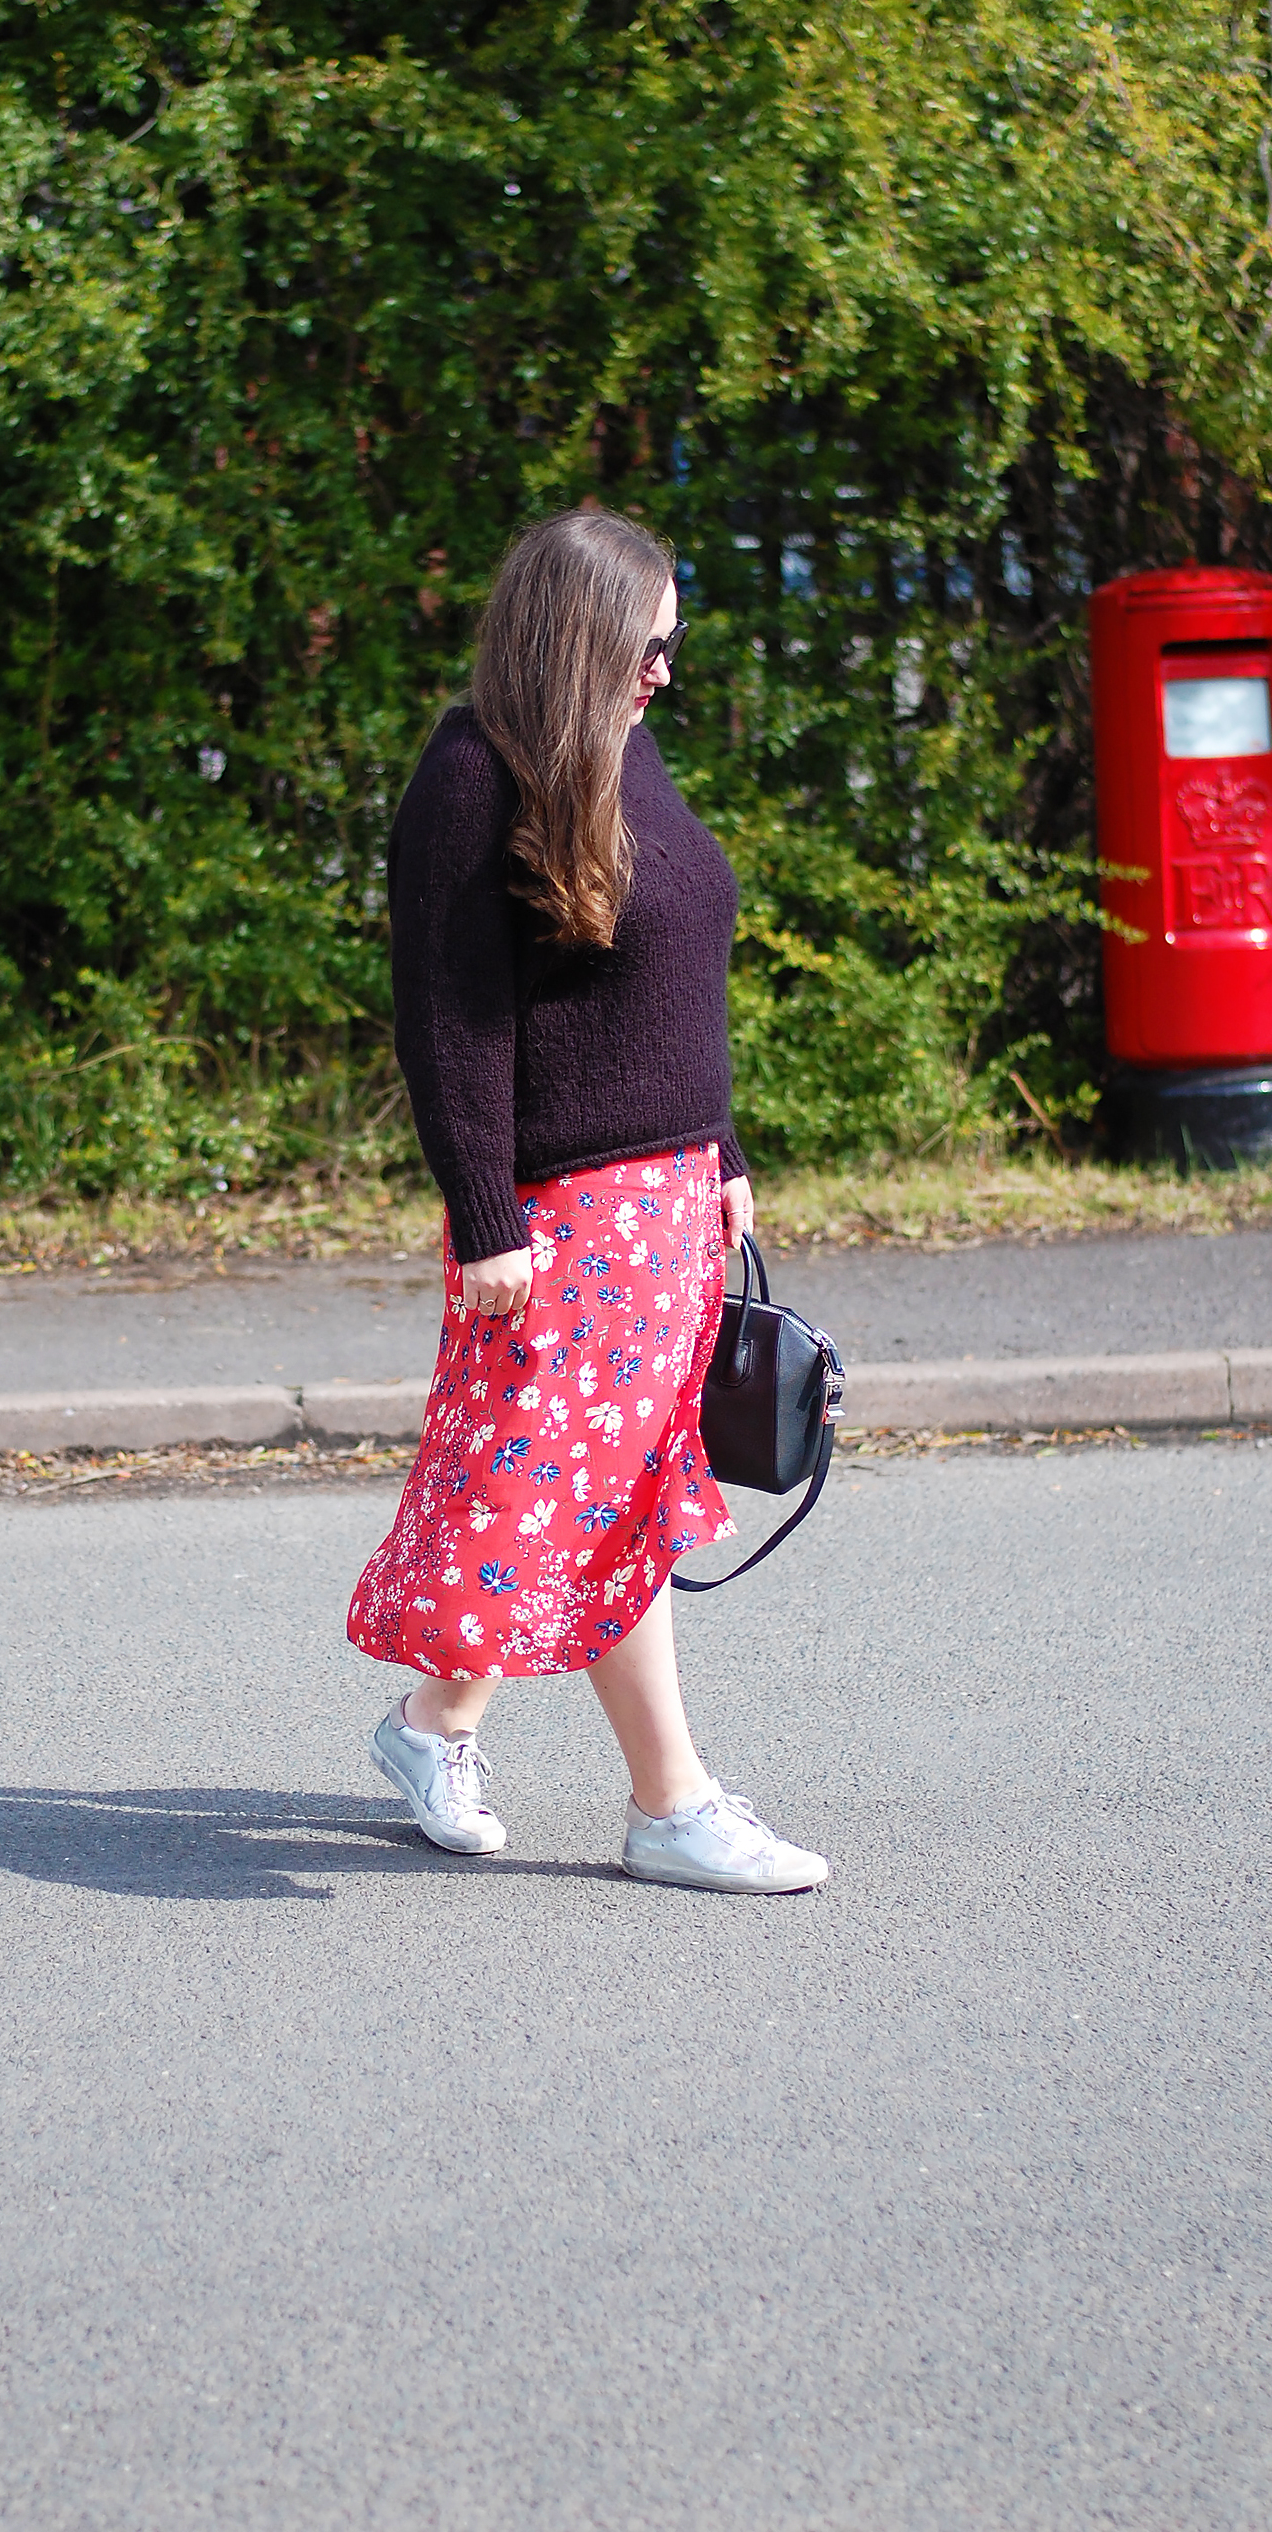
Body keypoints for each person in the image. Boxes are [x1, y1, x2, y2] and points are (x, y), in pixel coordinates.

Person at [346, 507, 828, 1894]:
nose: (666, 671)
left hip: (667, 1201)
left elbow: (679, 976)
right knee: (594, 1498)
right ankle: (671, 1807)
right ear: (578, 638)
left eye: (672, 645)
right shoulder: (467, 776)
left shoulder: (622, 747)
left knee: (590, 1497)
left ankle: (435, 1725)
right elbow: (451, 1017)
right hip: (561, 1213)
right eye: (647, 643)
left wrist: (721, 1152)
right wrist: (486, 1214)